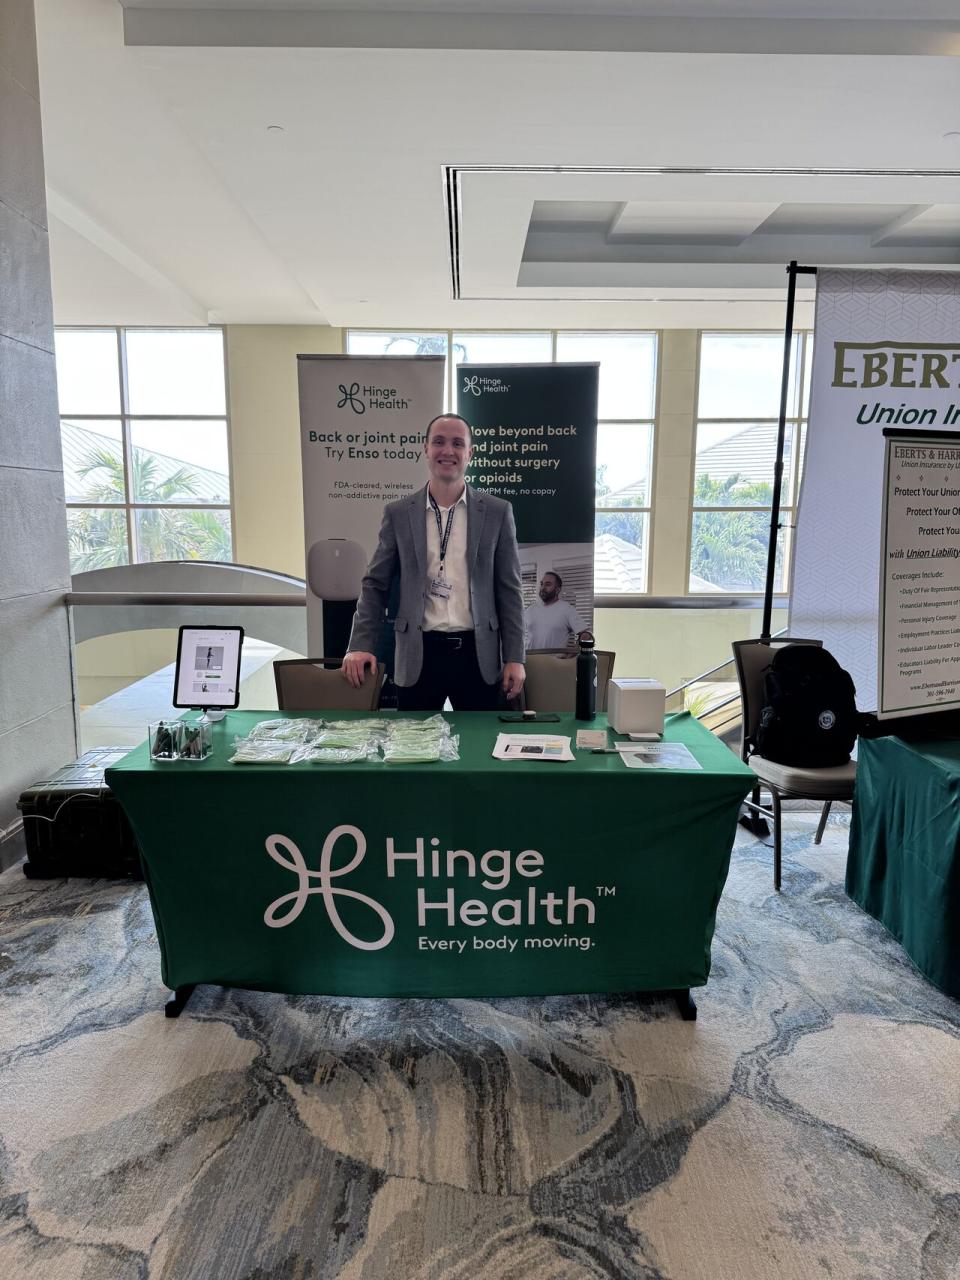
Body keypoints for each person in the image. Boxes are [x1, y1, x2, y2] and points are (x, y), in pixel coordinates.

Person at [342, 413, 525, 710]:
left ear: (470, 453)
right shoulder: (399, 514)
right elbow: (375, 584)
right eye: (438, 442)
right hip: (418, 655)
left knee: (477, 749)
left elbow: (509, 590)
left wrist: (515, 657)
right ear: (425, 449)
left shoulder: (497, 512)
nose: (447, 451)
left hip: (478, 655)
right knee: (415, 750)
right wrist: (360, 644)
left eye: (457, 443)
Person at [524, 571, 589, 650]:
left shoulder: (567, 609)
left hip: (554, 661)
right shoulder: (531, 609)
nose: (543, 588)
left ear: (557, 590)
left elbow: (586, 635)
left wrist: (574, 651)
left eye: (548, 584)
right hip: (529, 660)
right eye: (542, 584)